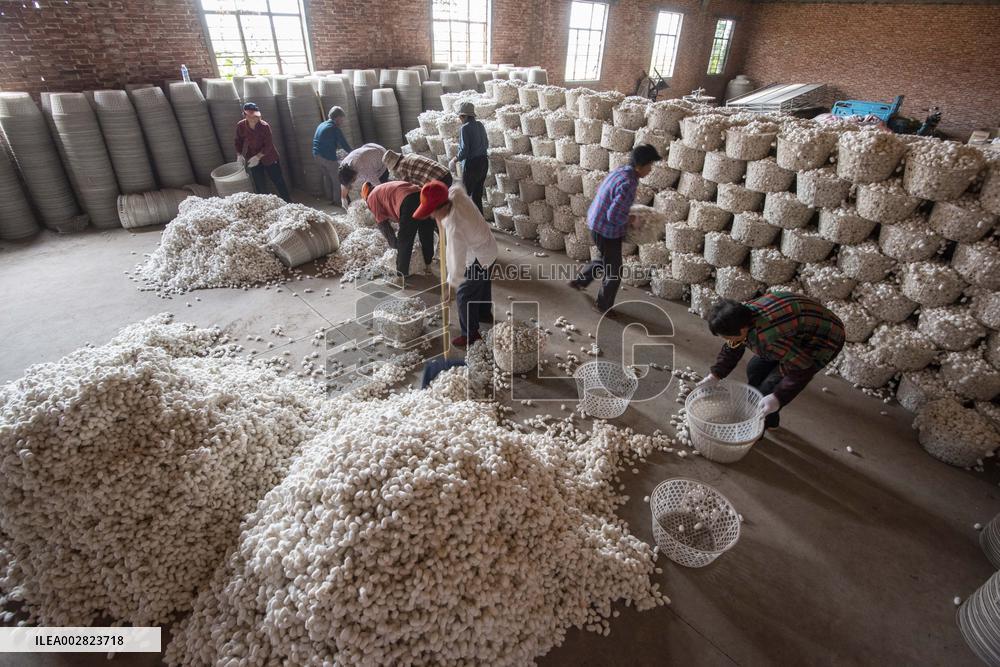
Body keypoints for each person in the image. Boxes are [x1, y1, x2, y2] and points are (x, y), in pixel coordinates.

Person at [699, 292, 846, 429]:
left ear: (743, 330)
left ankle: (761, 423)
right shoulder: (741, 314)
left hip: (824, 338)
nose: (727, 340)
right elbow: (733, 346)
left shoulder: (767, 338)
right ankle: (766, 414)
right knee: (755, 368)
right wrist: (715, 375)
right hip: (798, 329)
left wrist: (778, 397)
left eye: (728, 337)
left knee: (769, 386)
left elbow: (803, 368)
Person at [569, 144, 661, 315]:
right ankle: (603, 305)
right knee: (614, 271)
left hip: (595, 222)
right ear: (640, 165)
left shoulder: (621, 171)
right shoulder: (629, 183)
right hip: (606, 229)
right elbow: (614, 216)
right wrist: (633, 220)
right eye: (650, 166)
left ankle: (580, 281)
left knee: (604, 259)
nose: (650, 170)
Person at [413, 179, 498, 348]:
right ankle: (484, 314)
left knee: (464, 294)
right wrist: (440, 218)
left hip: (479, 256)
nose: (430, 216)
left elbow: (456, 263)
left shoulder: (454, 226)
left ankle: (471, 335)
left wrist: (450, 288)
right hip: (490, 247)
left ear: (442, 207)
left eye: (432, 212)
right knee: (482, 283)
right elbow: (459, 183)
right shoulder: (455, 194)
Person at [363, 180, 435, 279]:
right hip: (422, 194)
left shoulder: (371, 197)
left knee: (405, 239)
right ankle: (428, 265)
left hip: (408, 201)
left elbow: (383, 224)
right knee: (426, 232)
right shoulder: (382, 188)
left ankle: (402, 274)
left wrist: (394, 242)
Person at [235, 102, 291, 202]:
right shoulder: (241, 126)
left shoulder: (264, 126)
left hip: (269, 156)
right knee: (259, 184)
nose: (254, 118)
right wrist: (239, 154)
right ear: (245, 115)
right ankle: (264, 205)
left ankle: (288, 202)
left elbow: (269, 144)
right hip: (252, 156)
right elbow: (238, 140)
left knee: (278, 180)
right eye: (251, 116)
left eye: (256, 116)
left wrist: (258, 156)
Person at [451, 102, 489, 214]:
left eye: (460, 116)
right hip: (484, 162)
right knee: (477, 196)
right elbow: (486, 144)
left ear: (465, 116)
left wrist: (455, 159)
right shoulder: (480, 125)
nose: (460, 119)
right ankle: (481, 223)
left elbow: (464, 150)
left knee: (464, 196)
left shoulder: (465, 128)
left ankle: (466, 224)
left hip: (473, 165)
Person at [312, 106, 352, 206]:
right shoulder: (334, 128)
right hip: (326, 157)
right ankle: (338, 202)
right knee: (337, 179)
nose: (342, 121)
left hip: (316, 155)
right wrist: (353, 153)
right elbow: (344, 144)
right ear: (337, 118)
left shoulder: (322, 124)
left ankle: (330, 198)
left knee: (327, 177)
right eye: (342, 119)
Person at [383, 150, 453, 188]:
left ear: (393, 166)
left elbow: (410, 188)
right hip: (446, 173)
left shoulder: (400, 169)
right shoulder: (409, 155)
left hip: (438, 182)